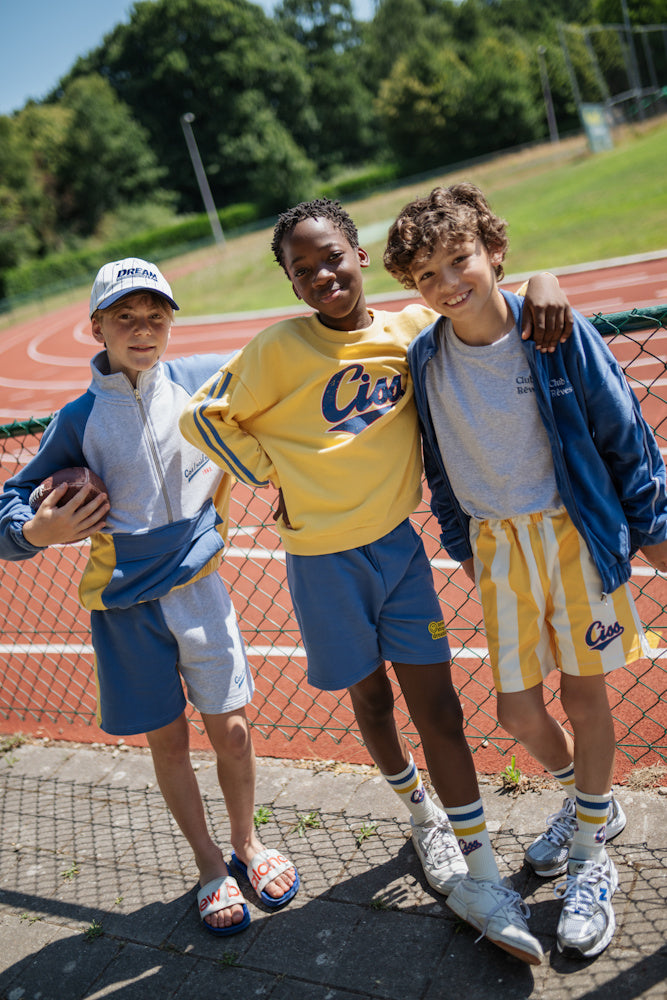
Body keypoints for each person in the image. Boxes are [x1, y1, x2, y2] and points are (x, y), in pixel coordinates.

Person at [180, 197, 574, 964]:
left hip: (397, 554)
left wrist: (544, 282)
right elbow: (201, 417)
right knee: (370, 700)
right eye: (302, 270)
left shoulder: (410, 330)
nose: (322, 275)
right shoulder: (276, 349)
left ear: (358, 254)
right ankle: (419, 813)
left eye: (332, 256)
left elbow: (486, 309)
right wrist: (269, 468)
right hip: (321, 563)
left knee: (441, 709)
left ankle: (477, 870)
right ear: (292, 284)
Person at [383, 182, 667, 958]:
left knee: (583, 694)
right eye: (427, 275)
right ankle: (591, 800)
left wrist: (651, 527)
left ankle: (588, 856)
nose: (447, 283)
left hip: (570, 535)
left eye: (459, 260)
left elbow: (622, 432)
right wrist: (465, 544)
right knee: (515, 713)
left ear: (493, 250)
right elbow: (437, 466)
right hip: (498, 550)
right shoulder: (425, 358)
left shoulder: (552, 331)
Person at [0, 258, 298, 937]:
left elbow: (285, 372)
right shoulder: (78, 419)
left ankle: (247, 842)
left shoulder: (201, 382)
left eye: (156, 316)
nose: (142, 329)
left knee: (234, 731)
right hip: (127, 611)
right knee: (168, 742)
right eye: (125, 317)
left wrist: (288, 468)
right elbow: (9, 504)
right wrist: (38, 531)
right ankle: (208, 866)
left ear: (171, 323)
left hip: (200, 591)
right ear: (96, 327)